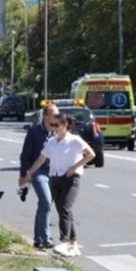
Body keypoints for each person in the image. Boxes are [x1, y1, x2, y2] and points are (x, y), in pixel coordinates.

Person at [20, 116, 95, 257]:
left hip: (71, 178)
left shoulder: (75, 140)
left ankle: (64, 242)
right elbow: (42, 158)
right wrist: (30, 172)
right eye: (52, 125)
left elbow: (91, 154)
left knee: (65, 207)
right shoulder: (52, 142)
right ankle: (73, 243)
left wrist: (74, 167)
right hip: (55, 179)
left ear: (65, 125)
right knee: (62, 210)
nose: (54, 128)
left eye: (57, 125)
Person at [19, 105, 59, 249]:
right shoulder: (34, 132)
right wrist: (23, 175)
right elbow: (25, 156)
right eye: (55, 115)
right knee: (46, 202)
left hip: (54, 173)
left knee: (44, 205)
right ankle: (46, 237)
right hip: (38, 173)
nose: (57, 118)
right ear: (46, 116)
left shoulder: (57, 134)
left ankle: (38, 238)